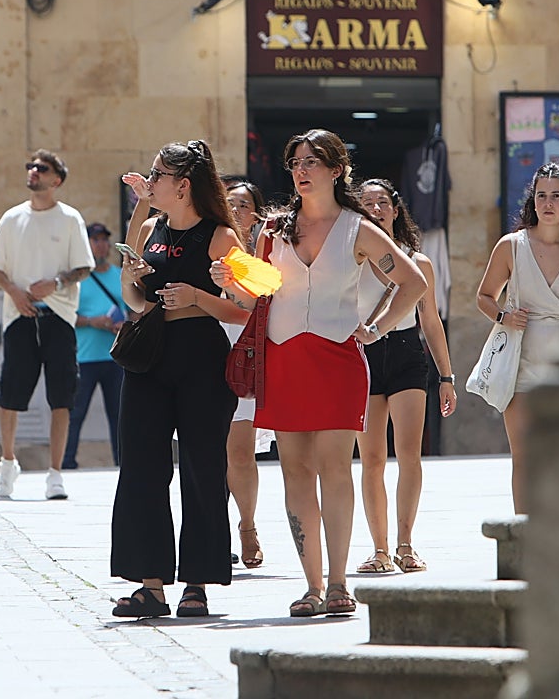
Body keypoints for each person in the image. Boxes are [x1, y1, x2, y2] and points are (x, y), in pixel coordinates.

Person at [211, 129, 426, 618]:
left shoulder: (358, 228)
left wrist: (375, 328)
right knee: (295, 473)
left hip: (338, 361)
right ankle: (311, 586)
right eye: (295, 162)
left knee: (335, 468)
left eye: (312, 161)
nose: (301, 170)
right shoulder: (274, 229)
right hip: (283, 359)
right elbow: (252, 298)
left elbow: (411, 283)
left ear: (337, 169)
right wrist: (229, 280)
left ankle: (338, 582)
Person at [109, 140, 246, 619]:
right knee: (142, 468)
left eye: (157, 175)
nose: (150, 181)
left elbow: (250, 304)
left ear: (182, 186)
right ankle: (149, 585)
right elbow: (133, 297)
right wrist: (133, 276)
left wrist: (197, 297)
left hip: (202, 358)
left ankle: (197, 584)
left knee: (202, 469)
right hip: (149, 356)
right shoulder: (149, 226)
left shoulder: (223, 237)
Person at [354, 178, 457, 575]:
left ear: (396, 211)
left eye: (382, 202)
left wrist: (446, 376)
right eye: (366, 203)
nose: (376, 209)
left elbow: (430, 322)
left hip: (405, 354)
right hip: (363, 352)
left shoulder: (420, 262)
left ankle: (405, 543)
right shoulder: (352, 258)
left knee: (409, 452)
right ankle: (378, 549)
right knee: (372, 459)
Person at [0, 150, 92, 501]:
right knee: (11, 393)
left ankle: (55, 473)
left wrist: (57, 283)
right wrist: (14, 292)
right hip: (20, 315)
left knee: (61, 396)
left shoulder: (70, 218)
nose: (33, 172)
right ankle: (7, 463)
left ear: (56, 179)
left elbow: (83, 267)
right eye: (30, 166)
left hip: (59, 316)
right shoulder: (11, 218)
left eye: (41, 169)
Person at [475, 161, 559, 514]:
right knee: (523, 454)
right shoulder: (511, 246)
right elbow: (484, 296)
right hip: (521, 358)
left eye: (557, 196)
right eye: (541, 195)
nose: (548, 203)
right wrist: (504, 315)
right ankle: (525, 533)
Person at [222, 178, 272, 569]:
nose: (235, 211)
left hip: (248, 360)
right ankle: (214, 532)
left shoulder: (263, 258)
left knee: (239, 454)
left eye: (242, 205)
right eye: (229, 205)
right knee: (208, 455)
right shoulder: (209, 248)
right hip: (206, 356)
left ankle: (247, 527)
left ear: (255, 215)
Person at [62, 222, 124, 469]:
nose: (101, 245)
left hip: (116, 357)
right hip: (84, 357)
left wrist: (124, 324)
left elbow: (134, 311)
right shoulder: (76, 279)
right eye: (95, 240)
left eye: (104, 239)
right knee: (74, 414)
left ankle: (123, 463)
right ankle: (66, 463)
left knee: (119, 416)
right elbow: (64, 314)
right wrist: (91, 321)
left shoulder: (120, 275)